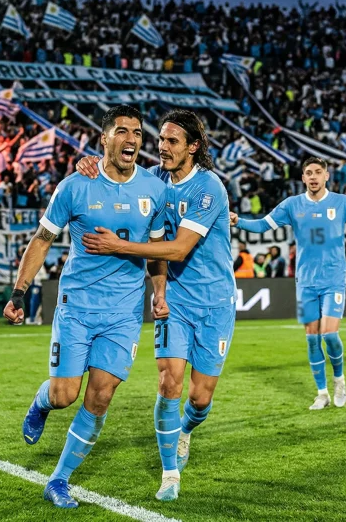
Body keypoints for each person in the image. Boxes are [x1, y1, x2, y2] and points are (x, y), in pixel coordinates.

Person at [5, 105, 170, 509]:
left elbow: (156, 250)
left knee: (100, 397)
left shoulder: (154, 189)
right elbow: (42, 239)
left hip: (124, 313)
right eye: (122, 131)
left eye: (137, 132)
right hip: (77, 306)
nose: (131, 139)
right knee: (64, 395)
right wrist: (19, 292)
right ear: (104, 138)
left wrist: (159, 292)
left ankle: (59, 480)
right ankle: (42, 403)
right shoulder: (75, 185)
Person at [78, 109, 236, 502]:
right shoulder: (153, 180)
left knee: (200, 398)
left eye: (172, 141)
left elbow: (179, 249)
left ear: (193, 147)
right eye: (161, 139)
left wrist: (118, 245)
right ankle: (169, 475)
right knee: (169, 382)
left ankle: (185, 430)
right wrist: (89, 166)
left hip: (215, 302)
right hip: (175, 300)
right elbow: (115, 178)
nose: (162, 147)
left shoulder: (208, 188)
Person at [231, 157, 346, 411]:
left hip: (333, 280)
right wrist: (239, 221)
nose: (313, 177)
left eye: (318, 172)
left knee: (329, 334)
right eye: (308, 173)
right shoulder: (292, 205)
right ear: (303, 178)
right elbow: (263, 225)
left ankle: (339, 380)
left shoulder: (343, 203)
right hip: (306, 282)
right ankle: (322, 393)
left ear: (326, 176)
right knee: (311, 339)